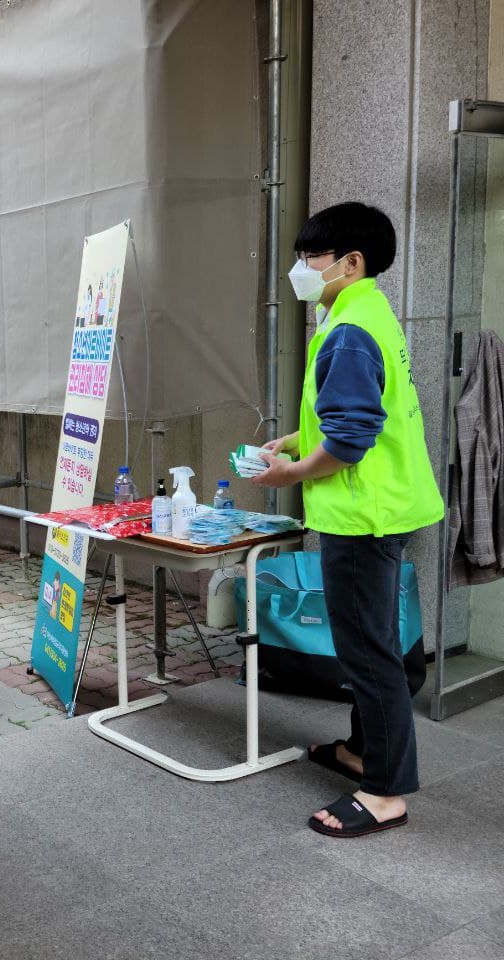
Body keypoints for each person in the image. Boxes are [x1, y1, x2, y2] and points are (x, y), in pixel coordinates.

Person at [253, 202, 443, 839]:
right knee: (372, 643)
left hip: (362, 516)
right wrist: (294, 440)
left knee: (368, 654)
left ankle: (386, 792)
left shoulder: (347, 330)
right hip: (381, 506)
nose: (301, 269)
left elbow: (352, 438)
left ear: (350, 262)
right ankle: (365, 750)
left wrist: (291, 474)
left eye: (311, 258)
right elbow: (353, 414)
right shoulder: (367, 312)